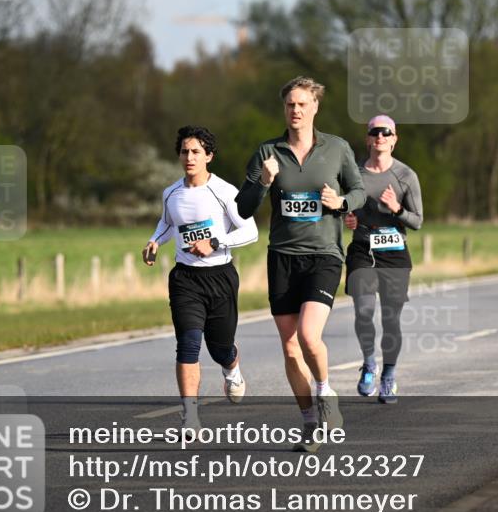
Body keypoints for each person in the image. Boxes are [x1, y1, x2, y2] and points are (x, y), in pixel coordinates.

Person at [236, 76, 365, 452]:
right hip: (282, 257)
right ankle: (310, 422)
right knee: (291, 348)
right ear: (284, 108)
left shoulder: (336, 148)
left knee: (309, 336)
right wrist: (263, 182)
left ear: (315, 107)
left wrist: (341, 202)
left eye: (302, 104)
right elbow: (243, 208)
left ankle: (325, 393)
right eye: (290, 104)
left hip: (324, 255)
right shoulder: (268, 152)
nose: (295, 110)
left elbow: (359, 190)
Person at [143, 125, 258, 435]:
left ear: (209, 156)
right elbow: (168, 224)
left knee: (220, 348)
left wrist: (215, 243)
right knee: (188, 343)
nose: (189, 157)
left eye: (196, 152)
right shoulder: (171, 193)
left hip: (220, 277)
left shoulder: (225, 192)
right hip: (185, 279)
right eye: (184, 152)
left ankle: (231, 367)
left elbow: (250, 231)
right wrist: (154, 241)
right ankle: (190, 416)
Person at [343, 115, 423, 404]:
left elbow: (417, 221)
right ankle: (369, 363)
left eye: (386, 133)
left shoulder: (406, 176)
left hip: (395, 253)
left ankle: (388, 375)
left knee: (391, 320)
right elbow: (343, 207)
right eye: (375, 132)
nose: (380, 137)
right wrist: (347, 218)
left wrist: (396, 208)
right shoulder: (354, 175)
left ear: (394, 139)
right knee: (363, 311)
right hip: (363, 250)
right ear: (368, 139)